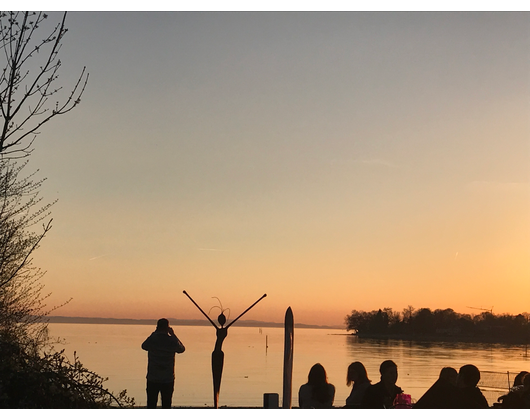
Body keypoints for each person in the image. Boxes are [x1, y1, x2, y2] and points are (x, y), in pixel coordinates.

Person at [141, 318, 185, 409]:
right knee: (166, 404)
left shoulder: (153, 339)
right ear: (167, 328)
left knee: (151, 403)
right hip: (167, 378)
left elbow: (143, 346)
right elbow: (182, 349)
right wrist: (173, 335)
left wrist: (154, 333)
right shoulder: (171, 341)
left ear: (157, 327)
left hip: (153, 378)